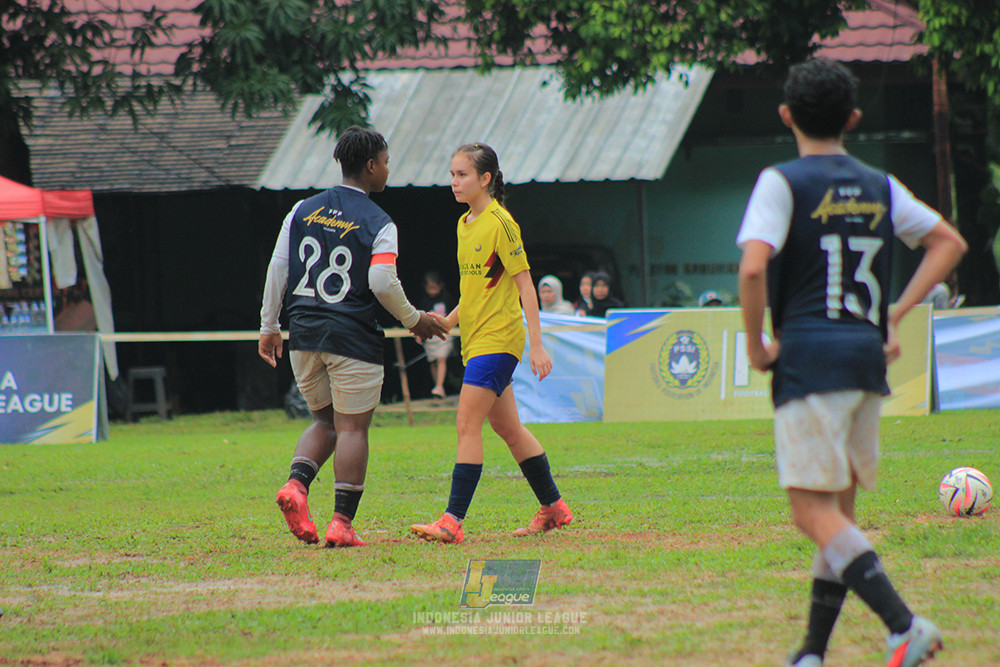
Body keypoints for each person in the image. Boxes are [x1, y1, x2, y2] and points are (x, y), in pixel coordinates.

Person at [736, 59, 967, 667]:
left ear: (786, 115)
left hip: (810, 359)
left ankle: (904, 625)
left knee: (810, 512)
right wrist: (894, 316)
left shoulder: (781, 181)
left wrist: (756, 346)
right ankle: (812, 652)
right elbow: (949, 243)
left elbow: (754, 267)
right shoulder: (880, 184)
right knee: (838, 515)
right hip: (865, 361)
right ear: (854, 118)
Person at [259, 126, 448, 548]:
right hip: (351, 337)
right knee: (352, 429)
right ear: (371, 166)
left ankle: (295, 485)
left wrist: (269, 326)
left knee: (324, 422)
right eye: (386, 162)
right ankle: (341, 524)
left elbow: (279, 267)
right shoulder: (380, 222)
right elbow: (381, 280)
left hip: (303, 334)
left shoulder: (301, 210)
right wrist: (415, 319)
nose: (388, 169)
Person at [409, 142, 573, 544]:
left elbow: (526, 287)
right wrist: (445, 322)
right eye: (452, 174)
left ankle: (452, 521)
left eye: (462, 174)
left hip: (499, 339)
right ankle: (553, 507)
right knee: (508, 428)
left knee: (467, 423)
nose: (454, 182)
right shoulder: (464, 224)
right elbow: (476, 288)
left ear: (485, 179)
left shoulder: (501, 223)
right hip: (477, 339)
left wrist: (537, 345)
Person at [416, 271, 457, 398]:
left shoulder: (447, 298)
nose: (432, 291)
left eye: (434, 287)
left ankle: (439, 386)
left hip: (444, 332)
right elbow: (420, 318)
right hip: (430, 335)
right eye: (429, 288)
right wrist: (419, 334)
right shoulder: (424, 301)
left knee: (441, 358)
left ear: (440, 286)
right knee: (433, 361)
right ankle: (438, 387)